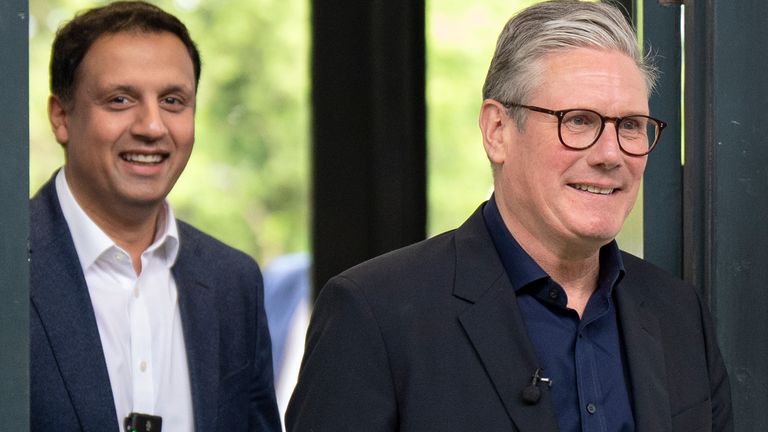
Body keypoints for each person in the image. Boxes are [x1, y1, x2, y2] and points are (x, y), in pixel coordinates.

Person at [286, 1, 733, 431]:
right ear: (497, 131)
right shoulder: (374, 315)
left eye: (632, 125)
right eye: (578, 121)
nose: (611, 154)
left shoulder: (678, 314)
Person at [29, 2, 281, 431]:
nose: (152, 125)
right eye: (120, 99)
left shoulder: (233, 282)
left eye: (172, 101)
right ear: (61, 117)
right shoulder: (11, 265)